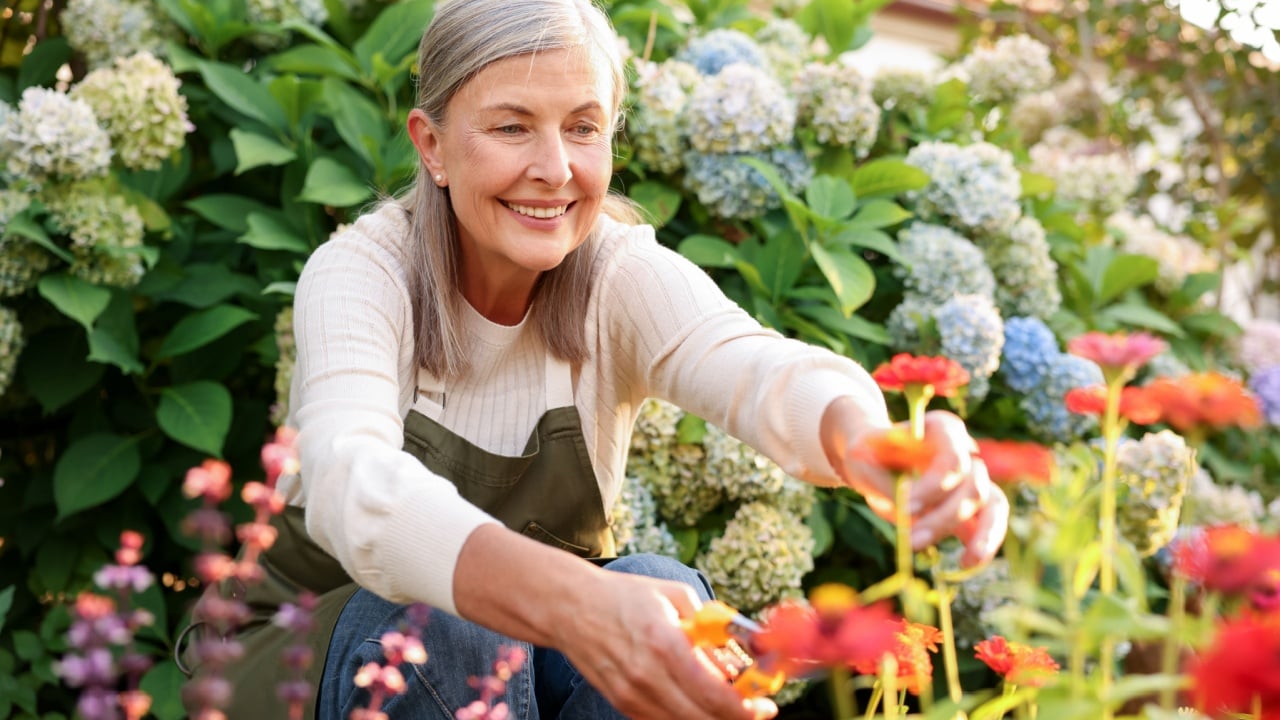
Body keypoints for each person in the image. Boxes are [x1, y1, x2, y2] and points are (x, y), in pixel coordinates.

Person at [208, 1, 1010, 718]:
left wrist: (873, 444)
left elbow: (758, 366)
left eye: (583, 127)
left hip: (522, 656)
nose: (556, 169)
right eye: (512, 126)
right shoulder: (359, 273)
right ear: (434, 145)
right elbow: (354, 487)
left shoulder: (614, 273)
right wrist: (577, 600)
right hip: (303, 654)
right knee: (451, 625)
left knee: (657, 585)